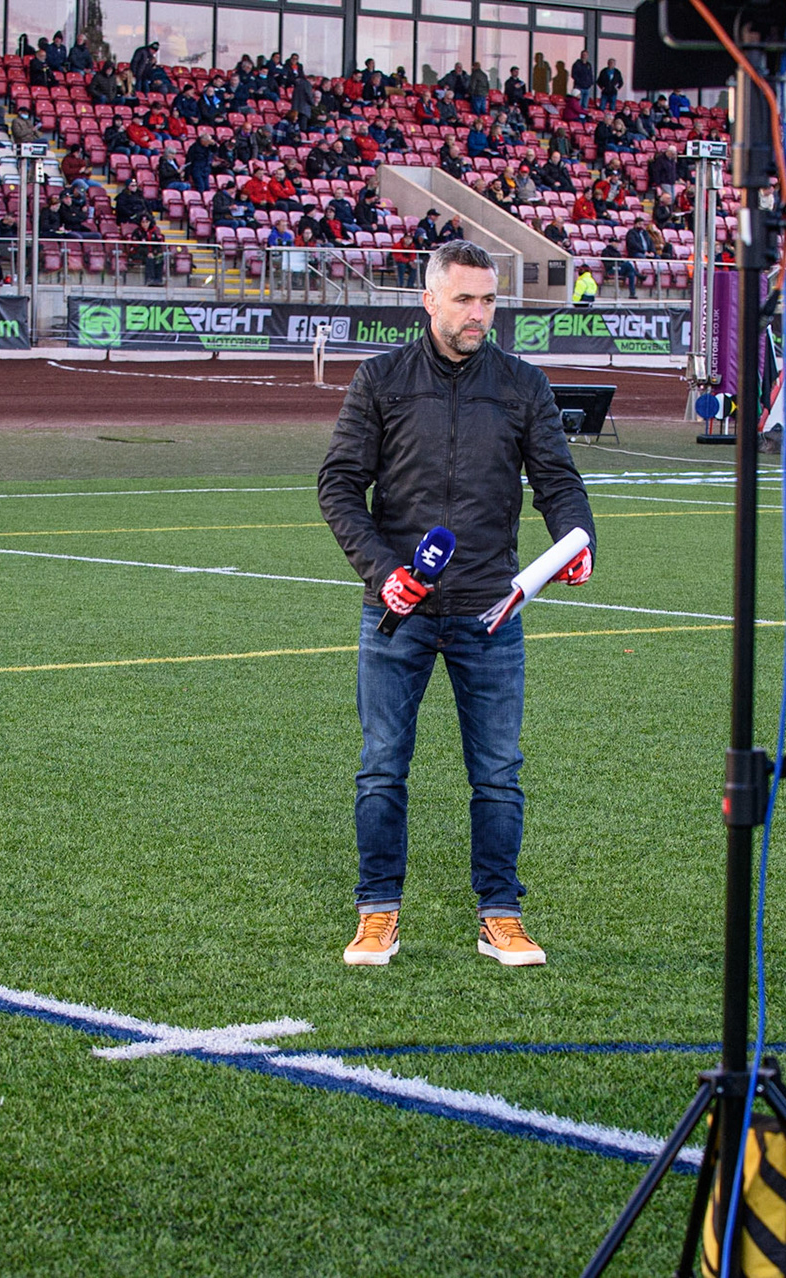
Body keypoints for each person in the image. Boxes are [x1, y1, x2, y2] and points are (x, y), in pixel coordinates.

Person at [318, 240, 595, 969]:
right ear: (429, 300)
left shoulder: (522, 384)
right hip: (398, 613)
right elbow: (340, 485)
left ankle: (500, 915)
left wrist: (577, 538)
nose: (480, 315)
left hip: (489, 612)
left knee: (498, 772)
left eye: (489, 300)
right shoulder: (380, 379)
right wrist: (382, 572)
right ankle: (377, 913)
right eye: (466, 300)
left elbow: (558, 480)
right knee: (382, 765)